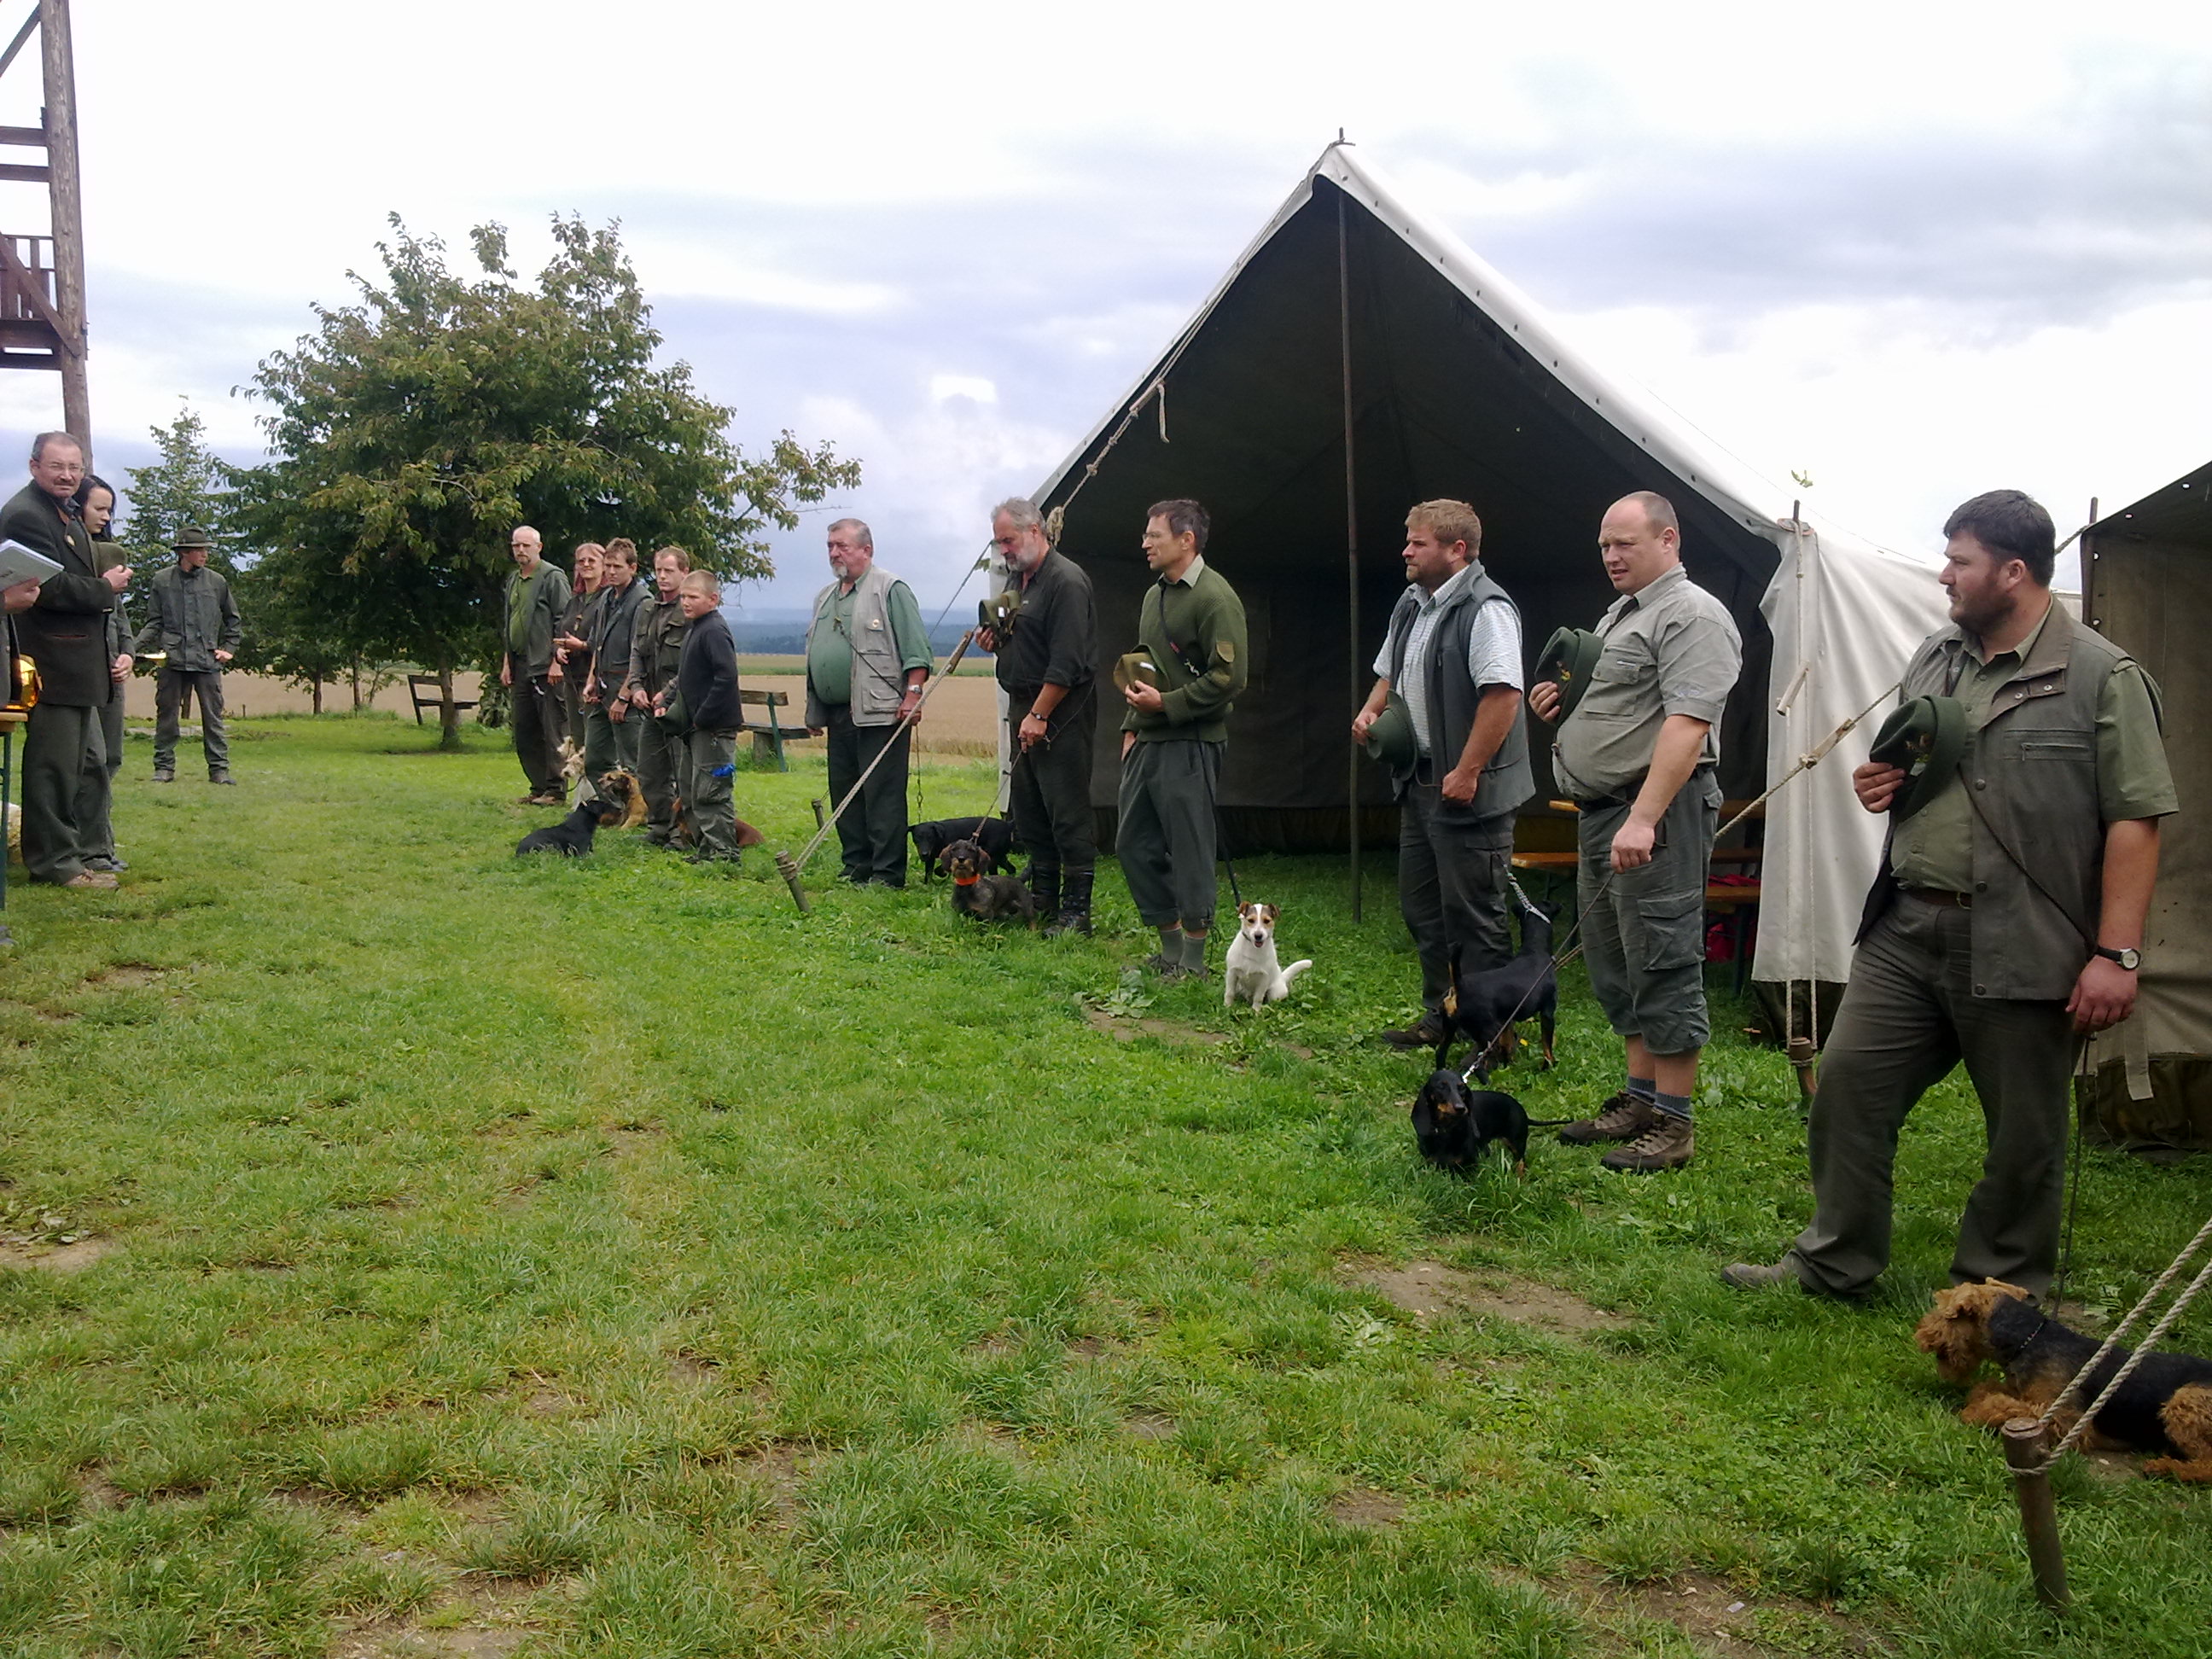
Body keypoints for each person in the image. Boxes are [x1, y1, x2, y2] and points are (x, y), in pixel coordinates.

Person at [1726, 490, 2175, 1300]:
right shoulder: (1937, 654)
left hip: (2027, 942)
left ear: (2012, 571)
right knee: (1849, 1092)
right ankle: (1834, 1262)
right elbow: (1913, 760)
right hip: (1906, 924)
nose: (1944, 575)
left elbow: (2136, 822)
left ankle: (1994, 1295)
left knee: (2023, 1140)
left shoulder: (2103, 678)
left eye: (1959, 561)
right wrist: (1883, 780)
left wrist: (2117, 953)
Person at [1530, 491, 1742, 1173]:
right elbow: (1624, 706)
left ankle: (1674, 1126)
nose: (1612, 556)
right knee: (1616, 960)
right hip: (1604, 813)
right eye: (1604, 545)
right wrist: (1562, 707)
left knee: (1663, 957)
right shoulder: (1623, 614)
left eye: (1625, 543)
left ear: (1669, 540)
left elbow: (1688, 723)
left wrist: (1645, 817)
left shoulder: (1694, 615)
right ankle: (1641, 1099)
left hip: (1655, 815)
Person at [1354, 499, 1532, 1047]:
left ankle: (1492, 1034)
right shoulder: (1412, 603)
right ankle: (1443, 1014)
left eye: (1418, 542)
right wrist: (1370, 710)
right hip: (1420, 781)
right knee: (1423, 909)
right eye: (1408, 540)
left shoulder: (1487, 608)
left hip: (1469, 790)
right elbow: (1390, 669)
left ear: (1457, 550)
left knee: (1475, 916)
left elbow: (1503, 696)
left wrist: (1469, 769)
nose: (1406, 550)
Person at [1118, 498, 1249, 980]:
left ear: (1186, 540)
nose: (1145, 543)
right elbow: (1144, 666)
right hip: (1148, 739)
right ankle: (1169, 951)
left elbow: (1230, 678)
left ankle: (1192, 962)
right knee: (1133, 844)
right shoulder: (1154, 596)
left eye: (1154, 535)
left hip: (1192, 742)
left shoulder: (1215, 598)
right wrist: (1131, 726)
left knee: (1190, 848)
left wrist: (1168, 706)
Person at [3, 432, 125, 888]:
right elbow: (44, 588)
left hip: (76, 662)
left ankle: (71, 854)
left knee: (80, 763)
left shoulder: (65, 512)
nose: (68, 476)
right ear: (35, 466)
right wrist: (105, 588)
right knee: (52, 766)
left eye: (74, 467)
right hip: (51, 660)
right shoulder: (25, 516)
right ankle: (54, 863)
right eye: (57, 467)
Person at [981, 498, 1098, 934]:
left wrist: (1039, 715)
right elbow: (1024, 638)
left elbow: (1068, 661)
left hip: (1059, 709)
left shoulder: (1066, 581)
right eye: (998, 543)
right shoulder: (1018, 579)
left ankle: (1076, 912)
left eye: (1008, 540)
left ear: (1035, 531)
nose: (1004, 550)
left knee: (1066, 808)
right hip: (1023, 704)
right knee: (1030, 809)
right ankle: (1043, 899)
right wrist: (996, 642)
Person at [803, 518, 931, 888]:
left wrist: (913, 695)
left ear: (867, 550)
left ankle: (887, 874)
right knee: (845, 791)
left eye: (842, 545)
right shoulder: (825, 596)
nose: (834, 552)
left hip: (882, 711)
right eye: (830, 546)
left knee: (883, 794)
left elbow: (917, 650)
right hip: (839, 712)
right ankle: (855, 866)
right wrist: (815, 707)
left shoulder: (890, 589)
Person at [135, 527, 242, 786]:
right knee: (167, 716)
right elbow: (154, 621)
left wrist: (229, 648)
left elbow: (233, 620)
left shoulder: (217, 582)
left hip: (207, 661)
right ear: (184, 553)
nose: (205, 555)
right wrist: (133, 647)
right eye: (200, 550)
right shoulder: (161, 581)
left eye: (206, 550)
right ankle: (164, 768)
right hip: (172, 660)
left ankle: (219, 770)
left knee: (213, 717)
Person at [659, 568, 753, 864]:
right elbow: (688, 676)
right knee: (693, 791)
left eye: (693, 597)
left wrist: (703, 715)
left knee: (712, 792)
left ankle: (725, 854)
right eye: (683, 596)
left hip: (714, 729)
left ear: (713, 599)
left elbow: (726, 676)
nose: (685, 602)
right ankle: (707, 850)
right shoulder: (696, 627)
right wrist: (669, 699)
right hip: (696, 728)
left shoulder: (713, 630)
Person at [77, 475, 133, 868]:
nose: (106, 516)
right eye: (99, 507)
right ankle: (90, 849)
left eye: (109, 509)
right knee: (90, 761)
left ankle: (99, 844)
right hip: (80, 671)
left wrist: (128, 653)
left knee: (111, 757)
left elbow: (120, 616)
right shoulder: (71, 558)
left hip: (112, 671)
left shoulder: (108, 553)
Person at [620, 544, 692, 845]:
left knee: (683, 771)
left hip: (680, 705)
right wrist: (635, 687)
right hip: (648, 704)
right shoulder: (647, 609)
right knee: (649, 771)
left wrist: (667, 692)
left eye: (669, 571)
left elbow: (691, 661)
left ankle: (683, 831)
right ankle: (660, 826)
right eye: (659, 570)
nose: (662, 577)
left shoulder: (689, 609)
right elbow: (637, 652)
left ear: (684, 573)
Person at [499, 525, 571, 806]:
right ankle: (538, 786)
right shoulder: (514, 580)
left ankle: (555, 789)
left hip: (546, 663)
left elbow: (564, 619)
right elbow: (508, 624)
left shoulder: (552, 577)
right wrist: (507, 661)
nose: (520, 550)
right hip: (520, 662)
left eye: (526, 545)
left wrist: (557, 660)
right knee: (524, 728)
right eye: (516, 545)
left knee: (552, 727)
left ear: (538, 547)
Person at [588, 538, 649, 777]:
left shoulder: (642, 602)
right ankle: (614, 810)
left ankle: (646, 814)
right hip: (602, 689)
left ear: (632, 568)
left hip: (627, 690)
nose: (611, 572)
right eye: (608, 566)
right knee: (595, 760)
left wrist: (625, 697)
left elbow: (641, 654)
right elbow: (598, 643)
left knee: (634, 764)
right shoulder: (605, 598)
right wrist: (591, 680)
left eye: (617, 567)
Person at [553, 541, 603, 796]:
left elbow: (605, 640)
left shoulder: (606, 599)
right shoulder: (576, 600)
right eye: (581, 561)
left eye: (591, 561)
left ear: (603, 565)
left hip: (594, 678)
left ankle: (599, 797)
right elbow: (560, 630)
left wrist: (582, 645)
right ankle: (583, 798)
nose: (585, 565)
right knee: (578, 737)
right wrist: (559, 650)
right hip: (571, 677)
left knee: (596, 742)